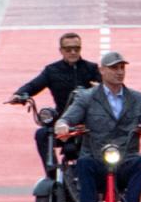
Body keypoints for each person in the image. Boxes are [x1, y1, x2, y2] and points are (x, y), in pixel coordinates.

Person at [56, 50, 141, 202]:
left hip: (126, 159)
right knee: (83, 163)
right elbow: (68, 117)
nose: (119, 72)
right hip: (96, 158)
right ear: (102, 70)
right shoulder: (86, 98)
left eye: (122, 68)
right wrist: (62, 125)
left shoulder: (139, 99)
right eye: (113, 68)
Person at [7, 32, 102, 168]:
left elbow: (107, 88)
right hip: (62, 121)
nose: (73, 52)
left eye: (77, 48)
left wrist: (101, 87)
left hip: (88, 122)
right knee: (42, 134)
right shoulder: (52, 70)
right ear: (61, 50)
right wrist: (19, 94)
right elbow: (34, 85)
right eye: (68, 49)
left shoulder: (91, 68)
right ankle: (52, 173)